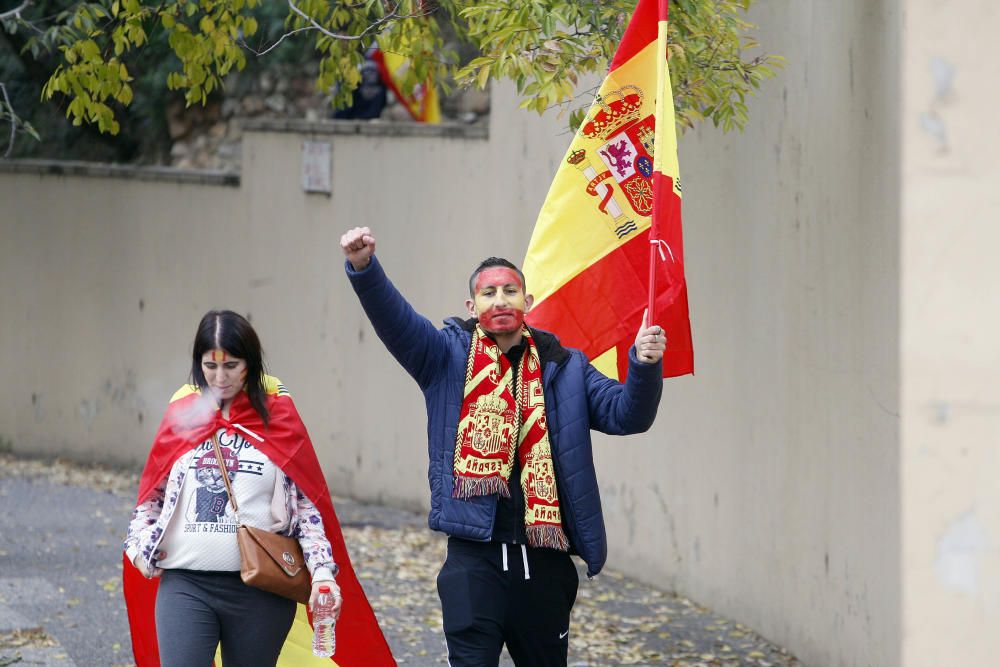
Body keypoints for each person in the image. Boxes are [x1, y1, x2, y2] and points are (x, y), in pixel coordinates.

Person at [340, 226, 665, 666]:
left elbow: (628, 415)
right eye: (489, 293)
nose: (501, 300)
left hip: (545, 567)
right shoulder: (444, 358)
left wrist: (644, 365)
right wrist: (364, 268)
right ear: (472, 308)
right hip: (474, 563)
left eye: (511, 291)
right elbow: (397, 322)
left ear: (527, 303)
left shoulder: (566, 368)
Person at [122, 310, 394, 667]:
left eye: (231, 365)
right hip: (185, 585)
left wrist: (324, 573)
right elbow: (149, 499)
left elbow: (308, 510)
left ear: (250, 363)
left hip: (260, 592)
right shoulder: (183, 418)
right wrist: (140, 550)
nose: (220, 377)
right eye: (210, 366)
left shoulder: (277, 419)